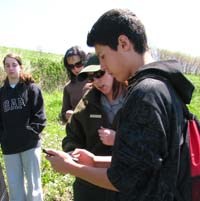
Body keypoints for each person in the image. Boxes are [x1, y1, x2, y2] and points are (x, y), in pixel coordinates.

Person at [46, 9, 193, 201]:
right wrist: (94, 160)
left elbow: (125, 178)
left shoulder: (145, 93)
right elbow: (144, 163)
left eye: (103, 56)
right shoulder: (163, 85)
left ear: (123, 43)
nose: (103, 66)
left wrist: (70, 167)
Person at [62, 54, 126, 201]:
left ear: (112, 69)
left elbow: (148, 144)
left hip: (124, 185)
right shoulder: (86, 103)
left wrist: (119, 139)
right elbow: (71, 137)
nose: (96, 81)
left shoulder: (135, 99)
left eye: (99, 74)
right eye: (91, 78)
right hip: (90, 186)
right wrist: (72, 152)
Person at [0, 53, 46, 201]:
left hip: (30, 145)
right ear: (4, 69)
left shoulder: (32, 89)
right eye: (7, 65)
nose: (11, 68)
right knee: (15, 187)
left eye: (14, 65)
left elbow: (40, 116)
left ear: (20, 67)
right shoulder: (1, 94)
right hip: (9, 147)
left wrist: (31, 133)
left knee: (34, 186)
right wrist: (4, 138)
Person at [60, 46, 89, 123]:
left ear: (85, 61)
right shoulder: (68, 87)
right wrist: (66, 115)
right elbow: (63, 115)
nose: (75, 69)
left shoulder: (97, 80)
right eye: (71, 66)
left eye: (78, 64)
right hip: (77, 129)